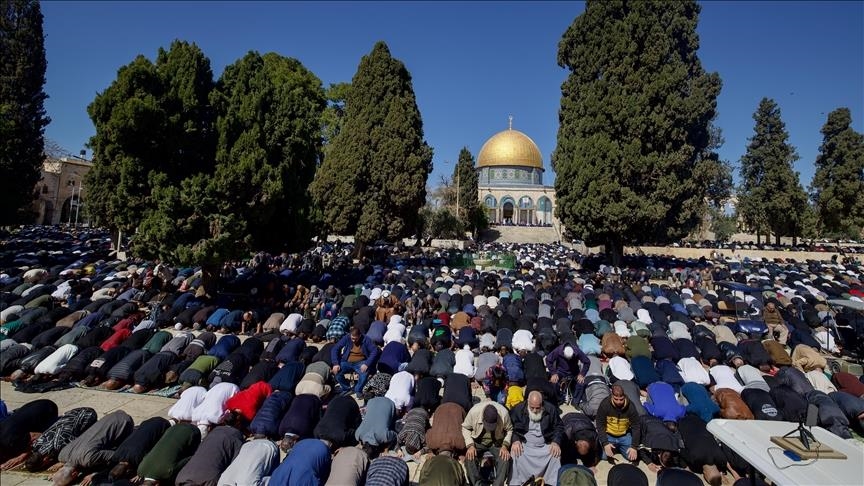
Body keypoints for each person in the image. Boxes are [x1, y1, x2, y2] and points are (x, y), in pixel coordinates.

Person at [52, 410, 135, 486]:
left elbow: (116, 456)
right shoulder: (62, 455)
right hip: (113, 416)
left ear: (74, 474)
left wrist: (96, 474)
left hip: (124, 422)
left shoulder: (88, 459)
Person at [509, 390, 563, 486]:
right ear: (527, 403)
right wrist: (515, 440)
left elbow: (559, 427)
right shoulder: (518, 409)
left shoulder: (551, 409)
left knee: (555, 455)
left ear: (542, 404)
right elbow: (510, 427)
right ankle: (517, 483)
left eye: (538, 408)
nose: (534, 410)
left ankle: (550, 483)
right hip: (525, 445)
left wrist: (556, 442)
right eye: (532, 407)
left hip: (545, 445)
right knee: (515, 452)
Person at [461, 402, 513, 486]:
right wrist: (470, 445)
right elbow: (465, 427)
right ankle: (477, 484)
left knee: (505, 459)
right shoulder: (474, 412)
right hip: (478, 442)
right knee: (469, 458)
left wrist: (505, 446)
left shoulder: (504, 414)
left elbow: (510, 429)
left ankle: (498, 484)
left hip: (496, 442)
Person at [595, 384, 641, 463]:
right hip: (608, 434)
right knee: (604, 456)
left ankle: (618, 448)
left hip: (624, 435)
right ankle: (615, 448)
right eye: (616, 399)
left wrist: (634, 447)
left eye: (621, 399)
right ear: (612, 395)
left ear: (624, 396)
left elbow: (636, 426)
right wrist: (605, 443)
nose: (619, 402)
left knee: (632, 457)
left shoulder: (631, 407)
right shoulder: (605, 404)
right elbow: (600, 424)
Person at [331, 328, 380, 397]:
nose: (353, 340)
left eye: (355, 339)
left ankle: (358, 389)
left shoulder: (366, 339)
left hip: (361, 361)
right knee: (336, 372)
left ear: (359, 336)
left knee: (364, 373)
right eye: (352, 338)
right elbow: (335, 348)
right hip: (347, 361)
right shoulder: (347, 337)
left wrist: (367, 363)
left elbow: (374, 351)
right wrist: (335, 363)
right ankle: (346, 388)